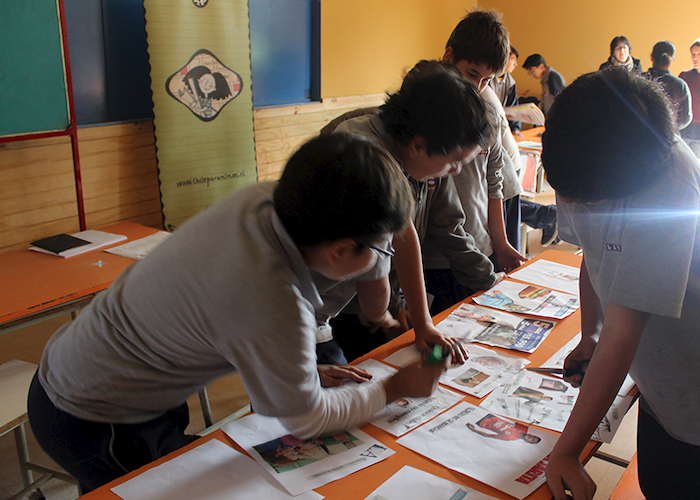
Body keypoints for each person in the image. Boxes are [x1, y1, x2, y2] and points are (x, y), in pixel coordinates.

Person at [26, 134, 451, 493]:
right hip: (94, 414)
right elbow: (306, 420)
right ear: (341, 251)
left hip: (100, 371)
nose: (386, 255)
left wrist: (289, 370)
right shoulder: (274, 298)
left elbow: (221, 317)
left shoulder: (265, 201)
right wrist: (393, 387)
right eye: (382, 249)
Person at [541, 69, 700, 500]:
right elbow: (592, 254)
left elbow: (625, 329)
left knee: (679, 483)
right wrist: (589, 334)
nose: (573, 205)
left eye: (587, 199)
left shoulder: (672, 190)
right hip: (658, 383)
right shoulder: (581, 152)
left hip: (691, 384)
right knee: (658, 479)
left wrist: (566, 452)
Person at [321, 60, 503, 357]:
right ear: (419, 146)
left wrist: (421, 322)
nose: (456, 171)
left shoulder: (417, 154)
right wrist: (390, 313)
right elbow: (375, 275)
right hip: (307, 306)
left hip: (345, 301)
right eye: (454, 162)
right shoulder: (364, 161)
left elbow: (405, 235)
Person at [422, 10, 526, 315]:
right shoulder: (423, 106)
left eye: (487, 80)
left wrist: (500, 241)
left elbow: (494, 181)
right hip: (435, 256)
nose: (477, 87)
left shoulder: (488, 110)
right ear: (449, 57)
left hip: (481, 248)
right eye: (471, 74)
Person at [489, 46, 559, 248]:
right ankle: (547, 215)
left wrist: (516, 125)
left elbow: (510, 108)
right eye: (512, 59)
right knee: (502, 202)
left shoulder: (508, 82)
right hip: (501, 149)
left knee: (502, 202)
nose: (515, 64)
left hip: (503, 153)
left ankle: (548, 215)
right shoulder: (492, 80)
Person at [643, 40, 692, 130]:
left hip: (642, 134)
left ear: (651, 57)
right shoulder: (680, 85)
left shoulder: (639, 79)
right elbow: (685, 119)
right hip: (670, 137)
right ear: (672, 59)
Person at [679, 38, 700, 157]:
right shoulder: (684, 76)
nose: (695, 58)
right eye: (693, 54)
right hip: (684, 129)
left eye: (699, 54)